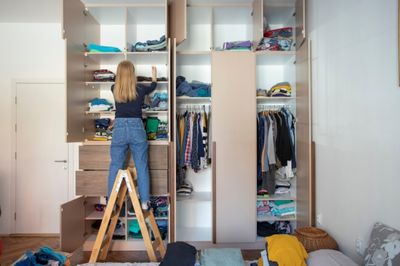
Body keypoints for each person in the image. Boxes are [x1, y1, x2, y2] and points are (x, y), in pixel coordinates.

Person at [108, 60, 157, 210]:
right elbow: (153, 87)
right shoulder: (140, 89)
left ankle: (112, 202)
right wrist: (154, 77)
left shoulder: (113, 88)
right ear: (133, 74)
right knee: (141, 166)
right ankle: (144, 202)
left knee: (115, 166)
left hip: (120, 127)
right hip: (136, 127)